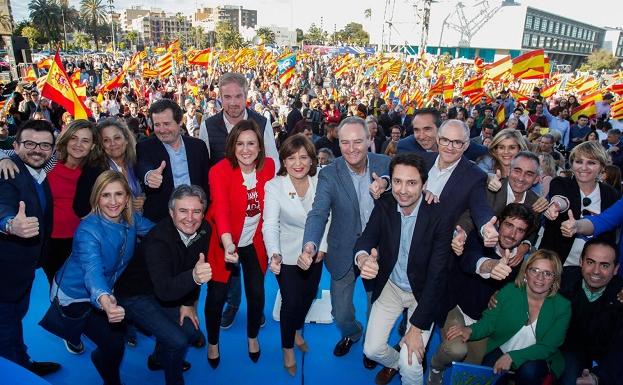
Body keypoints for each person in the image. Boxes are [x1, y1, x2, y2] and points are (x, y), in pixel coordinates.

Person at [356, 153, 453, 385]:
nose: (403, 190)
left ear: (424, 184)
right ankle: (395, 363)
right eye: (397, 181)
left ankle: (406, 367)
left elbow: (437, 277)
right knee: (372, 349)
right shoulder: (385, 204)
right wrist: (362, 259)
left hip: (423, 292)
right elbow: (365, 240)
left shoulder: (440, 216)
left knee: (411, 365)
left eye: (412, 183)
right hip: (391, 286)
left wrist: (416, 328)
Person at [301, 116, 390, 368]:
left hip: (378, 252)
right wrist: (310, 244)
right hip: (342, 252)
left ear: (370, 139)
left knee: (377, 307)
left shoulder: (386, 164)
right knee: (340, 314)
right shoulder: (329, 173)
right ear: (337, 143)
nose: (351, 148)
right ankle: (352, 333)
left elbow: (406, 186)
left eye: (358, 142)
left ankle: (372, 345)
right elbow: (318, 213)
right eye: (345, 142)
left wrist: (386, 184)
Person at [52, 170, 154, 385]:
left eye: (118, 194)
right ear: (96, 197)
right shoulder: (88, 230)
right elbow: (93, 271)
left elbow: (157, 232)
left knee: (115, 342)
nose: (113, 202)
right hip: (75, 295)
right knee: (113, 342)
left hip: (106, 289)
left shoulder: (131, 218)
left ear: (127, 197)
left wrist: (184, 225)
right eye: (105, 195)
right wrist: (105, 300)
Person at [428, 204, 537, 384]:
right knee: (456, 350)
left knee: (470, 375)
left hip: (484, 320)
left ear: (525, 236)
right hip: (456, 307)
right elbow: (469, 260)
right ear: (499, 223)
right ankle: (436, 367)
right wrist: (491, 266)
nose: (512, 234)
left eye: (520, 230)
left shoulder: (521, 260)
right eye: (509, 225)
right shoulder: (479, 238)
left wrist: (501, 295)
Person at [114, 185, 211, 385]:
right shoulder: (158, 241)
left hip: (164, 287)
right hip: (135, 295)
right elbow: (167, 290)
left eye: (197, 211)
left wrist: (187, 303)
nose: (190, 218)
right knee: (178, 341)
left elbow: (193, 265)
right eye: (183, 211)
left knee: (191, 332)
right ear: (171, 212)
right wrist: (193, 277)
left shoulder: (204, 229)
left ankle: (158, 359)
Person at [203, 119, 276, 368]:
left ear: (260, 146)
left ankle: (252, 336)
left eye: (251, 143)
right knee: (216, 297)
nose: (246, 149)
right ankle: (213, 342)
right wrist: (227, 242)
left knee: (257, 295)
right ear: (232, 146)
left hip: (254, 241)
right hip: (224, 241)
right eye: (240, 143)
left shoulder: (269, 167)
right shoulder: (220, 170)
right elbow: (221, 208)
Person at [446, 250, 571, 385]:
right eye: (534, 270)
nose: (540, 277)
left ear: (554, 279)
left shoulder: (562, 307)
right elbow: (489, 322)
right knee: (485, 376)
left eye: (547, 273)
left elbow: (547, 347)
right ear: (525, 273)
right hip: (502, 349)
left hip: (537, 359)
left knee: (529, 372)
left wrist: (513, 357)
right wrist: (470, 330)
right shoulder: (509, 291)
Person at [0, 119, 61, 376]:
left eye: (45, 145)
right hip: (5, 272)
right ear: (15, 145)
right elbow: (2, 205)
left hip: (22, 271)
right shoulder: (8, 172)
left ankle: (22, 364)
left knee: (14, 321)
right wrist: (9, 224)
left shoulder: (40, 169)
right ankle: (17, 374)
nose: (37, 149)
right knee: (5, 328)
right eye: (29, 143)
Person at [263, 134, 326, 376]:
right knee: (291, 302)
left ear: (312, 160)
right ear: (284, 161)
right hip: (287, 254)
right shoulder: (274, 186)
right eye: (291, 158)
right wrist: (274, 253)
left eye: (303, 157)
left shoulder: (322, 180)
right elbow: (270, 224)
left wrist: (323, 247)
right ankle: (287, 347)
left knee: (308, 296)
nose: (297, 163)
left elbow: (329, 217)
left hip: (315, 253)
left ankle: (297, 330)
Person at [541, 141, 621, 267]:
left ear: (602, 167)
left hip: (593, 271)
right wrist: (555, 205)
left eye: (591, 163)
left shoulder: (612, 195)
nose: (584, 167)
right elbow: (561, 199)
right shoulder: (561, 183)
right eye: (578, 161)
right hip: (556, 263)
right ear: (571, 164)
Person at [557, 239, 623, 385]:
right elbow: (527, 283)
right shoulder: (562, 278)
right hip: (567, 349)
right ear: (581, 262)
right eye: (590, 262)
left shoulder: (620, 295)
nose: (596, 271)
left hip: (605, 359)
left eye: (604, 265)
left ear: (616, 269)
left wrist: (599, 377)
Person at [136, 99, 210, 223]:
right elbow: (143, 166)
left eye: (166, 124)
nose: (162, 129)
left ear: (180, 121)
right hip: (162, 221)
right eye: (157, 125)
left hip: (196, 219)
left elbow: (206, 182)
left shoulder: (198, 146)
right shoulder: (145, 147)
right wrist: (149, 176)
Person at [397, 108, 487, 162]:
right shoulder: (406, 146)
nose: (421, 136)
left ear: (439, 129)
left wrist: (488, 175)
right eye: (416, 130)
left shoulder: (458, 144)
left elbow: (488, 151)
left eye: (427, 129)